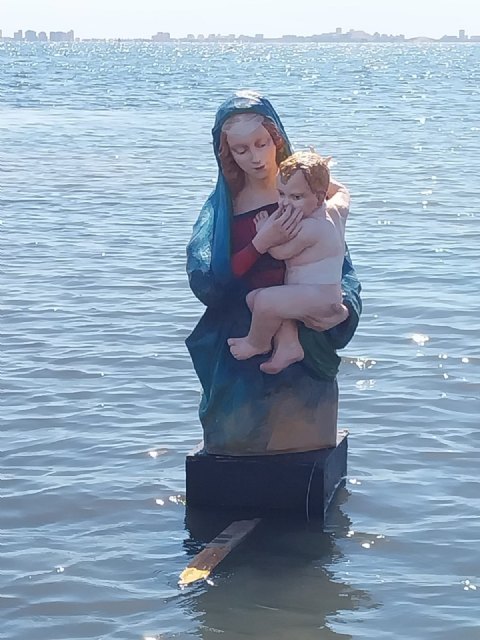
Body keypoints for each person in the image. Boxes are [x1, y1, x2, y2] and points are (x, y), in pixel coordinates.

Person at [186, 90, 361, 456]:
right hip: (243, 326)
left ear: (276, 139)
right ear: (227, 154)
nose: (255, 157)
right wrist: (259, 243)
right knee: (238, 430)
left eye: (261, 144)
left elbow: (339, 265)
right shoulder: (223, 210)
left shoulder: (311, 200)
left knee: (301, 429)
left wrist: (343, 310)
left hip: (307, 333)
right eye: (241, 150)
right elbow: (207, 280)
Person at [227, 150, 350, 375]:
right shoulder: (337, 209)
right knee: (253, 298)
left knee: (265, 301)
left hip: (318, 295)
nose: (285, 204)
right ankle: (289, 345)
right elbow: (343, 191)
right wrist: (317, 174)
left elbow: (280, 253)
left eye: (296, 197)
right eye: (281, 194)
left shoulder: (310, 227)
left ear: (320, 197)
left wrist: (264, 231)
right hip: (316, 293)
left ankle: (256, 343)